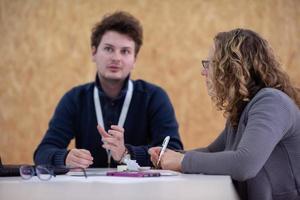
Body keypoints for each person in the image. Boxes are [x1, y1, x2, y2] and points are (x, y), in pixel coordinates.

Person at [149, 28, 300, 200]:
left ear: (232, 68)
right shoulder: (244, 106)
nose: (203, 72)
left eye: (209, 63)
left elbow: (244, 164)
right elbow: (211, 151)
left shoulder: (272, 102)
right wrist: (166, 155)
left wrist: (182, 162)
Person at [34, 11, 183, 169]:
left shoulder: (154, 97)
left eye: (125, 51)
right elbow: (42, 153)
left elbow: (173, 151)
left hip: (140, 190)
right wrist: (64, 157)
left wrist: (127, 153)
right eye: (108, 49)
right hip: (89, 190)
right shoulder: (75, 99)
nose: (116, 58)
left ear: (134, 60)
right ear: (94, 53)